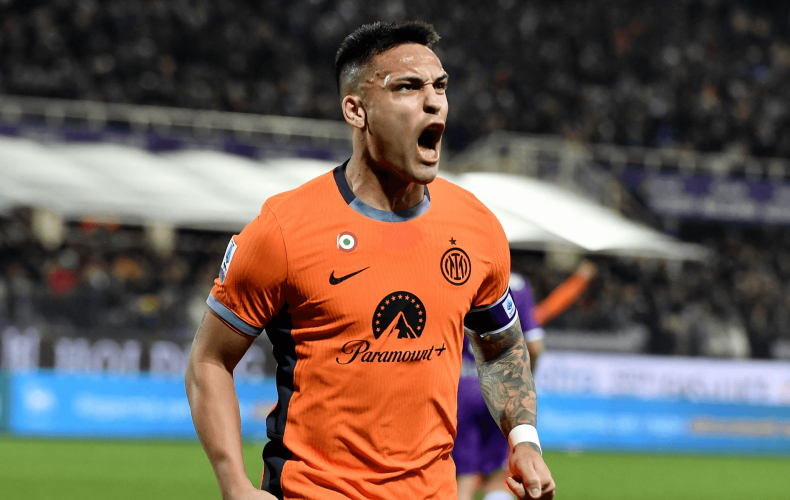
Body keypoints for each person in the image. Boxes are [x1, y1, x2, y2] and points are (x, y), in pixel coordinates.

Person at [185, 21, 554, 500]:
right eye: (407, 87)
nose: (434, 102)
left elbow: (501, 347)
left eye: (440, 86)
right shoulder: (284, 229)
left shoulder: (476, 227)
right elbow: (209, 360)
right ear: (356, 110)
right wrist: (234, 485)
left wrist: (524, 440)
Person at [455, 262, 596, 500]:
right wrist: (522, 381)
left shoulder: (456, 278)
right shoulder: (517, 286)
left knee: (464, 477)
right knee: (498, 475)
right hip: (502, 390)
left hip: (463, 388)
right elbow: (535, 345)